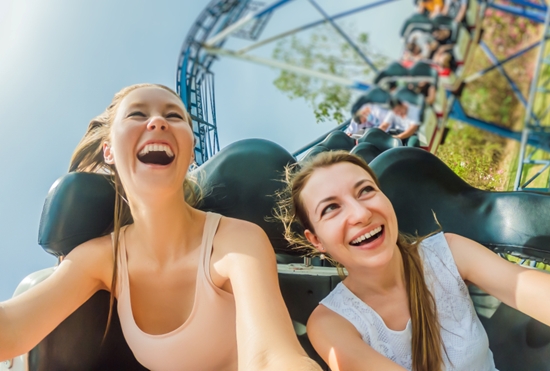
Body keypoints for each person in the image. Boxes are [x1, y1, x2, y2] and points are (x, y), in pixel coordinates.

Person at [0, 83, 321, 371]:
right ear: (108, 150)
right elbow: (12, 328)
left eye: (174, 116)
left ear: (191, 149)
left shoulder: (236, 240)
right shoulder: (99, 258)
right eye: (137, 114)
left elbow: (271, 356)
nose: (158, 121)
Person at [276, 151, 550, 371]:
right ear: (316, 241)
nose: (360, 213)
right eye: (331, 208)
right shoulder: (330, 324)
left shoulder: (447, 252)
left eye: (366, 190)